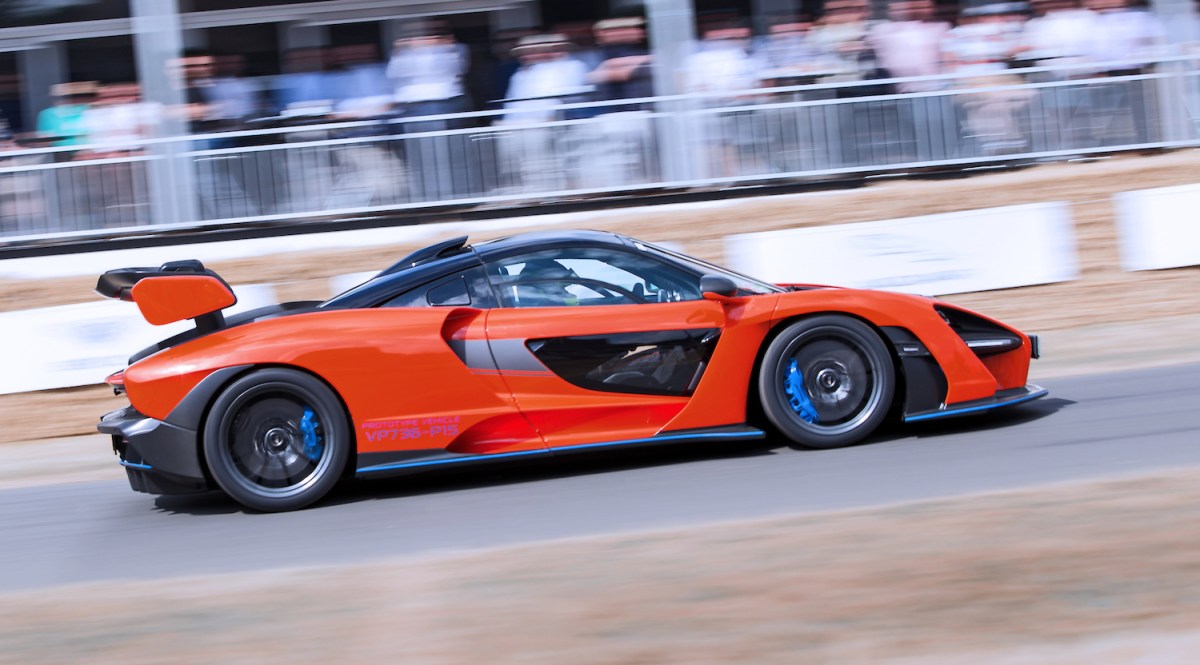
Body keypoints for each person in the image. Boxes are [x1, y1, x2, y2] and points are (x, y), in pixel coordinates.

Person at [498, 33, 590, 192]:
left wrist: (548, 117)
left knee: (554, 162)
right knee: (530, 165)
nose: (528, 55)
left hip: (553, 124)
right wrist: (508, 124)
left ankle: (559, 193)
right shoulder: (520, 74)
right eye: (525, 52)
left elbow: (566, 95)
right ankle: (541, 193)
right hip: (523, 127)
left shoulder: (573, 66)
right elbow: (513, 102)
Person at [682, 19, 764, 177]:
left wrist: (731, 92)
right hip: (707, 110)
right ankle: (706, 180)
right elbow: (694, 85)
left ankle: (735, 179)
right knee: (707, 148)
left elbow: (750, 83)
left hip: (737, 109)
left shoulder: (740, 56)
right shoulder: (697, 58)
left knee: (735, 147)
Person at [582, 16, 656, 187]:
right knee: (617, 159)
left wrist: (615, 65)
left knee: (643, 157)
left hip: (642, 113)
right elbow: (595, 76)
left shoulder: (643, 51)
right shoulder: (596, 55)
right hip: (612, 115)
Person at [37, 81, 96, 149]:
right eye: (67, 97)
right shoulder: (47, 114)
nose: (74, 100)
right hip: (59, 154)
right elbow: (43, 141)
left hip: (92, 152)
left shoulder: (93, 111)